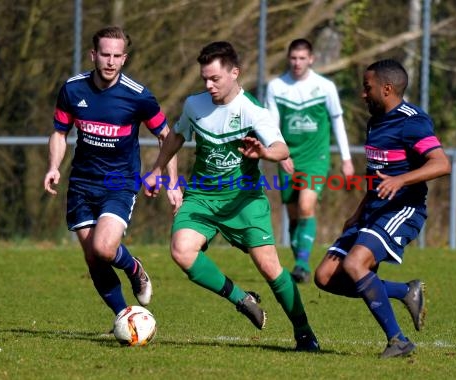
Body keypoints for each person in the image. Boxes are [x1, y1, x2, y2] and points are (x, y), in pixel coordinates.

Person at [142, 41, 319, 351]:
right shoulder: (194, 105)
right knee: (182, 251)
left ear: (234, 73)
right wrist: (158, 170)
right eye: (204, 79)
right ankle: (241, 299)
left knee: (270, 268)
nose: (208, 85)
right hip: (202, 197)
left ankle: (304, 332)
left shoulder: (252, 110)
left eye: (215, 79)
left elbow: (282, 148)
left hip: (244, 200)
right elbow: (175, 137)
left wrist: (264, 151)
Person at [314, 59, 451, 358]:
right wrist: (358, 209)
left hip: (404, 209)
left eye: (367, 88)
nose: (363, 94)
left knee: (354, 265)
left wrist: (401, 180)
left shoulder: (412, 121)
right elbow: (375, 173)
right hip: (374, 208)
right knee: (325, 276)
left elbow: (442, 163)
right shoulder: (374, 121)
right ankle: (405, 291)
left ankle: (398, 341)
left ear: (386, 89)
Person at [43, 26, 182, 322]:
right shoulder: (72, 89)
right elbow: (59, 132)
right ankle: (125, 317)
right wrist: (54, 167)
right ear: (94, 54)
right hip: (81, 184)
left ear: (125, 58)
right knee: (93, 258)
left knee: (104, 248)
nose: (110, 61)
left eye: (117, 56)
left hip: (119, 182)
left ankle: (134, 269)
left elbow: (167, 136)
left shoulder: (139, 96)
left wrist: (170, 180)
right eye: (105, 54)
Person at [265, 38, 355, 283]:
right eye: (293, 58)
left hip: (316, 157)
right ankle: (300, 263)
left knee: (306, 206)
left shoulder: (324, 87)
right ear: (288, 59)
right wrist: (280, 154)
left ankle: (303, 264)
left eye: (302, 58)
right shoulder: (276, 87)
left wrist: (346, 159)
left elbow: (337, 120)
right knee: (294, 215)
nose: (297, 63)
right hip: (288, 158)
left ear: (311, 59)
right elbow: (271, 126)